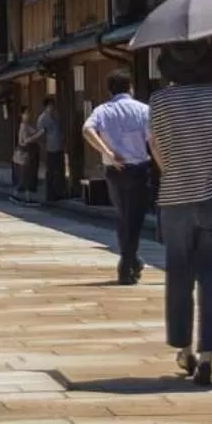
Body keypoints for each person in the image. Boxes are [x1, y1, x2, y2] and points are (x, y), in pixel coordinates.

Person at [147, 40, 212, 386]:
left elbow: (156, 148)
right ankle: (210, 356)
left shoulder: (159, 100)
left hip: (174, 201)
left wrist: (174, 171)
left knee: (179, 275)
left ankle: (184, 349)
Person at [84, 70, 153, 284]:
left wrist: (107, 152)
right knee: (135, 218)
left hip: (114, 171)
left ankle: (131, 261)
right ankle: (128, 262)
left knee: (123, 215)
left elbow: (87, 129)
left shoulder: (102, 110)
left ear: (109, 90)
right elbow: (154, 139)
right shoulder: (143, 109)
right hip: (139, 168)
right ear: (130, 87)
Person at [38, 100, 66, 203]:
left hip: (58, 146)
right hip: (50, 148)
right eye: (50, 106)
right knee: (50, 172)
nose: (52, 108)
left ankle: (59, 192)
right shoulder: (42, 119)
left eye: (52, 106)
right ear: (46, 106)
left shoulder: (55, 116)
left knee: (59, 171)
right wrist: (44, 144)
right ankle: (50, 195)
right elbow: (40, 134)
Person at [15, 107, 45, 203]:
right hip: (25, 153)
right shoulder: (23, 126)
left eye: (29, 113)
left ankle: (27, 196)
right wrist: (39, 134)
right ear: (22, 115)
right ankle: (22, 195)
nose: (29, 115)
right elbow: (24, 141)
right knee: (26, 175)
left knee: (29, 174)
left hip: (31, 153)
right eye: (27, 113)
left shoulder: (28, 125)